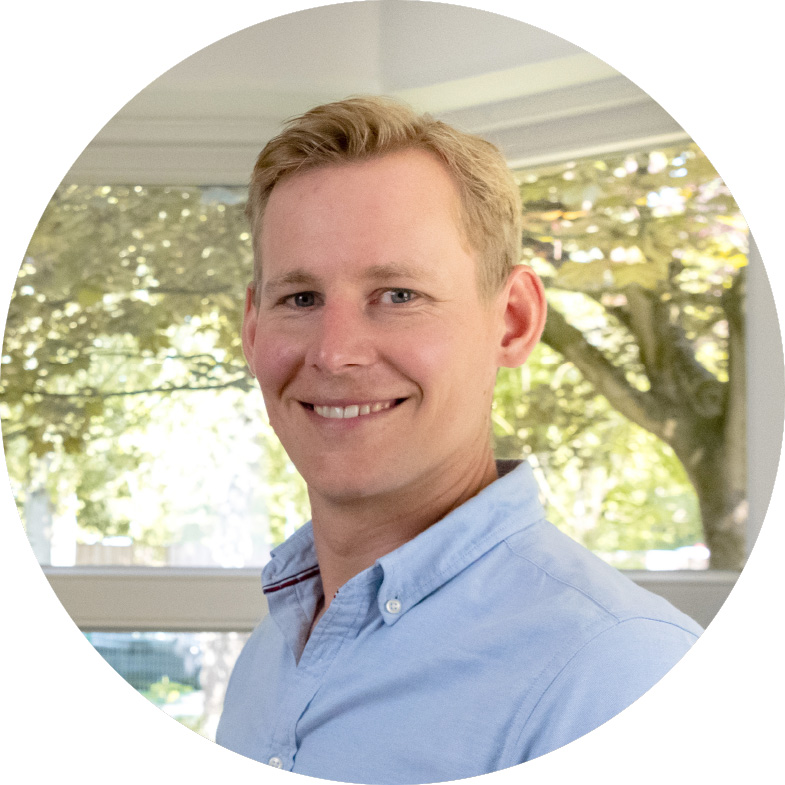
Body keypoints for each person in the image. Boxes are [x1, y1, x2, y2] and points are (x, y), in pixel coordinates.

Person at [215, 96, 702, 783]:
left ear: (512, 321)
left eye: (398, 295)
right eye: (300, 299)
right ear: (252, 329)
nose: (335, 353)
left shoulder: (620, 674)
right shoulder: (273, 652)